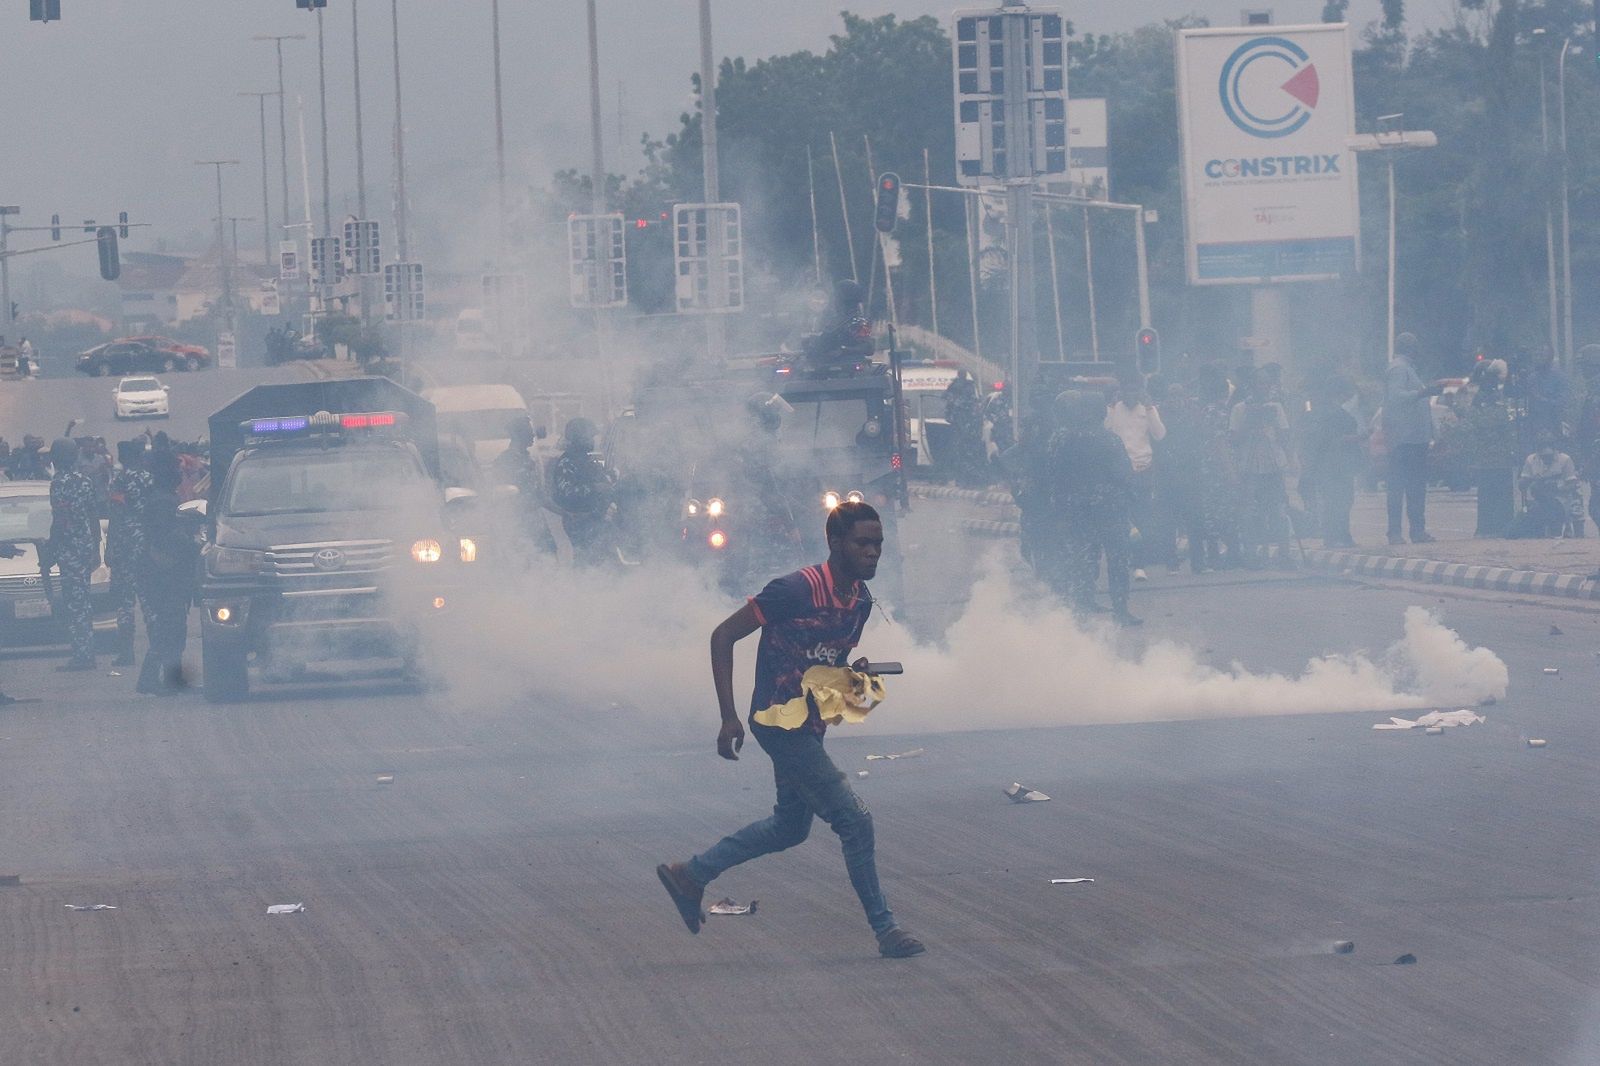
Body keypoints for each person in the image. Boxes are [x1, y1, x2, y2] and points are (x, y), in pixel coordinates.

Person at [655, 501, 925, 959]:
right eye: (863, 543)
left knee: (790, 827)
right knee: (855, 822)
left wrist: (851, 674)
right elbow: (723, 636)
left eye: (878, 544)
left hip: (811, 723)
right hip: (779, 724)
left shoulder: (859, 600)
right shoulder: (794, 590)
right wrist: (729, 715)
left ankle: (691, 875)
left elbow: (824, 664)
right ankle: (886, 930)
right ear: (835, 543)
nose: (873, 552)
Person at [1049, 390, 1140, 625]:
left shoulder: (1065, 439)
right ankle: (1120, 610)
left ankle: (1082, 606)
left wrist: (1060, 511)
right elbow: (1124, 475)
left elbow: (1056, 477)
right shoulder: (1109, 439)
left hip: (1077, 511)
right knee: (1117, 560)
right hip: (1110, 510)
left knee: (1084, 559)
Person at [135, 449, 199, 692]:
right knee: (170, 629)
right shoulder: (164, 502)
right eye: (175, 471)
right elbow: (166, 537)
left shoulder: (161, 498)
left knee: (172, 628)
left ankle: (171, 679)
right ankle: (152, 679)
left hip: (166, 576)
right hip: (166, 577)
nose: (179, 475)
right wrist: (192, 545)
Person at [1103, 368, 1165, 581]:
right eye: (1126, 390)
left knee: (1143, 517)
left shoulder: (1147, 410)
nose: (1130, 395)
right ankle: (1123, 559)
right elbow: (1105, 430)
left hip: (1143, 470)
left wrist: (1149, 409)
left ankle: (1139, 564)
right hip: (1120, 472)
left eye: (1134, 390)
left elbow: (1160, 434)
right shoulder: (1113, 409)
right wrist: (1111, 407)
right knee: (1122, 518)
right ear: (1121, 391)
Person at [1381, 334, 1441, 545]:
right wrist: (1423, 392)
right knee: (1400, 487)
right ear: (1410, 348)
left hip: (1413, 438)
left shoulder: (1407, 368)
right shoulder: (1399, 368)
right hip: (1404, 439)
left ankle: (1416, 530)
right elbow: (1396, 397)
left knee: (1416, 487)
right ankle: (1396, 532)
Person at [47, 437, 101, 671]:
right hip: (85, 547)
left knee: (75, 603)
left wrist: (51, 547)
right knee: (83, 601)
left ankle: (83, 656)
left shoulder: (59, 483)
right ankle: (86, 651)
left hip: (69, 549)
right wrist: (96, 546)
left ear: (55, 459)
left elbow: (60, 519)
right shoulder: (85, 481)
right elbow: (93, 516)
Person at [1230, 374, 1295, 568]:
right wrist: (1250, 423)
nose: (1264, 388)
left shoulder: (1276, 408)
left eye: (1267, 384)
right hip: (1249, 468)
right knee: (1250, 512)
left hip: (1273, 466)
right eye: (1260, 384)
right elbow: (1233, 440)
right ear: (1252, 387)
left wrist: (1292, 460)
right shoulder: (1239, 409)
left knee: (1279, 510)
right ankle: (1252, 554)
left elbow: (1284, 436)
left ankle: (1284, 554)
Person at [1301, 375, 1364, 548]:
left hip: (1332, 463)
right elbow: (1335, 439)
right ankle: (1337, 536)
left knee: (1339, 500)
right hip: (1335, 463)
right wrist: (1360, 437)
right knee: (1338, 500)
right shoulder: (1332, 412)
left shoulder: (1326, 411)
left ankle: (1339, 535)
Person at [106, 441, 154, 667]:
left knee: (125, 603)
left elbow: (116, 515)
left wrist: (110, 549)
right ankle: (157, 649)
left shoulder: (120, 480)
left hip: (125, 547)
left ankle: (126, 653)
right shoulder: (149, 479)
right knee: (150, 600)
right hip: (148, 546)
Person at [550, 417, 615, 564]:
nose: (592, 441)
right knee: (587, 561)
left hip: (595, 518)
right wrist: (595, 488)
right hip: (579, 519)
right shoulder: (567, 462)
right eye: (588, 437)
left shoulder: (585, 460)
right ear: (578, 438)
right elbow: (568, 492)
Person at [1509, 437, 1583, 539]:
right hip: (1538, 500)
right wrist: (1529, 480)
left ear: (1555, 451)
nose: (1546, 459)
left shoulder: (1565, 460)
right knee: (1512, 531)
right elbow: (1522, 484)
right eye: (1543, 457)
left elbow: (1573, 485)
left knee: (1549, 508)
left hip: (1560, 500)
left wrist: (1555, 488)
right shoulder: (1531, 460)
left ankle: (1559, 527)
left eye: (1549, 456)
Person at [942, 370, 985, 485]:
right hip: (959, 428)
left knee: (969, 454)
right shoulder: (955, 388)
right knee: (959, 454)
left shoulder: (969, 387)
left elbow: (976, 402)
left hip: (970, 430)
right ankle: (961, 478)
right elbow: (946, 398)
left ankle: (970, 479)